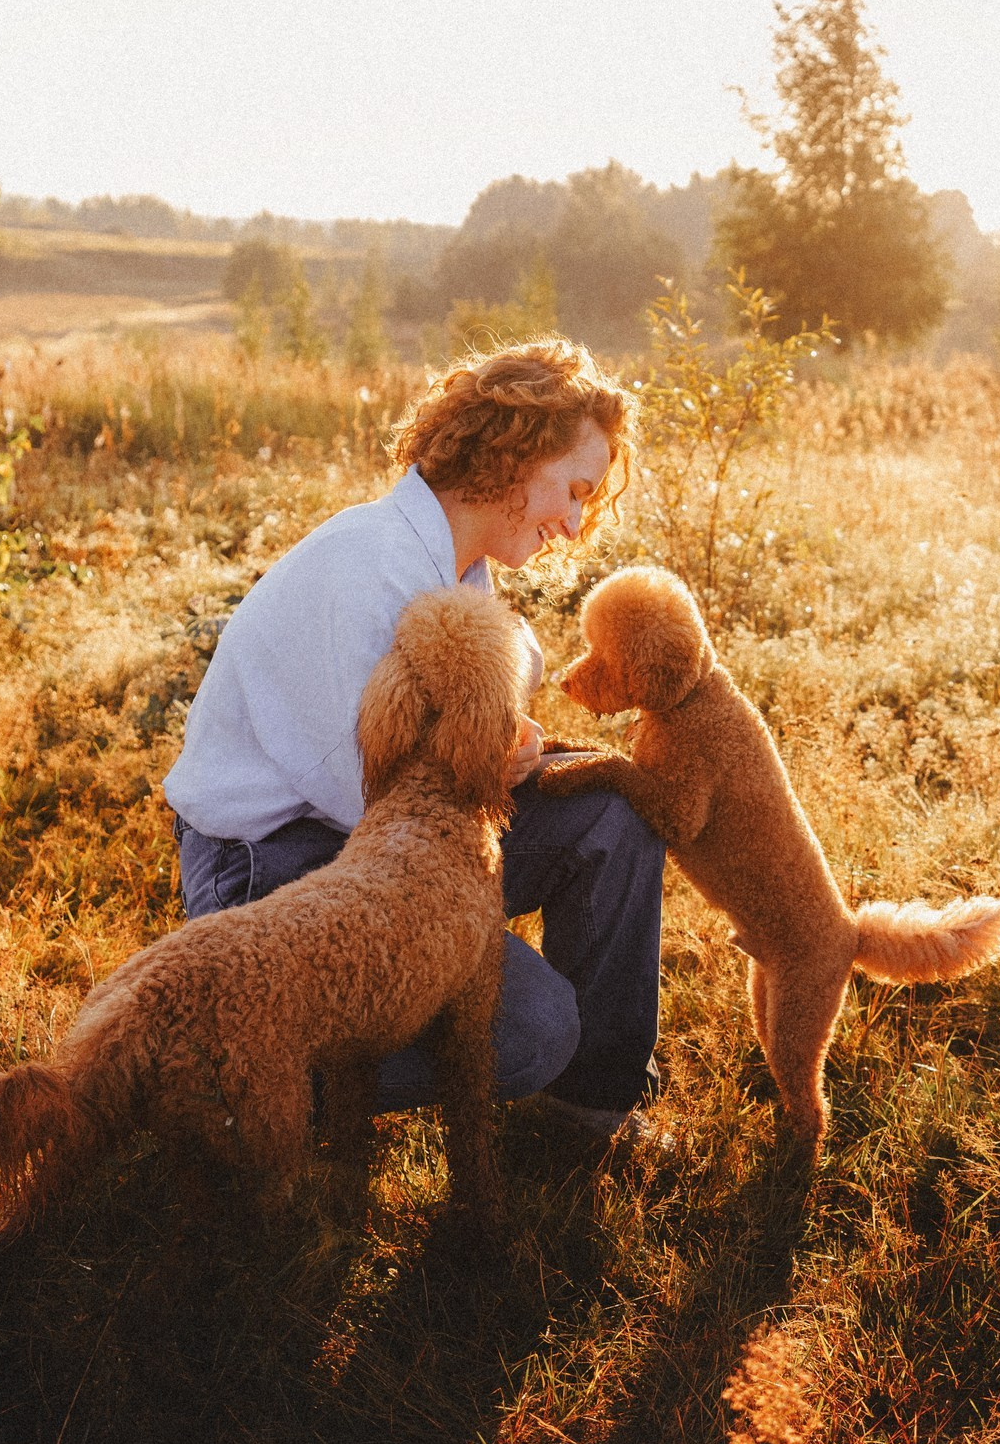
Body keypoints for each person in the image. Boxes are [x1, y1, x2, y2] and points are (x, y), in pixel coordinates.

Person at [161, 338, 665, 1139]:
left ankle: (588, 1107)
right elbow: (365, 793)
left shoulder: (457, 568)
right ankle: (222, 1074)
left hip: (396, 841)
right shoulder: (367, 563)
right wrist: (492, 759)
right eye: (573, 492)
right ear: (513, 452)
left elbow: (494, 682)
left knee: (612, 814)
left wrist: (502, 740)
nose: (575, 526)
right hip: (272, 860)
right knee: (531, 1029)